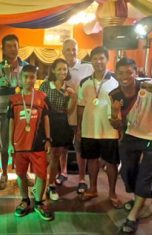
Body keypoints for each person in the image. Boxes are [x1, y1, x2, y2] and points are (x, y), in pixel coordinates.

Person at [109, 57, 152, 233]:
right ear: (116, 75)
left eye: (129, 72)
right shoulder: (115, 94)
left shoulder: (149, 85)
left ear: (136, 72)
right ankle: (138, 198)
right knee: (127, 172)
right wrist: (115, 115)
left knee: (147, 175)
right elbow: (116, 125)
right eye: (121, 73)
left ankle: (133, 215)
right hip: (132, 135)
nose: (125, 76)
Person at [77, 47, 122, 208]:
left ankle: (112, 193)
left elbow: (123, 107)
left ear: (107, 59)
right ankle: (93, 189)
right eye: (95, 59)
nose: (98, 62)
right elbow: (81, 107)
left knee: (111, 163)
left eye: (101, 58)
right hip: (89, 129)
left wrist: (121, 129)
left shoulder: (117, 80)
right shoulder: (84, 82)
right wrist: (79, 130)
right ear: (91, 61)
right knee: (91, 161)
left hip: (110, 130)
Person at [8, 64, 53, 221]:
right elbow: (11, 122)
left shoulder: (42, 97)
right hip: (19, 144)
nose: (28, 80)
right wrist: (9, 143)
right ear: (20, 78)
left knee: (41, 174)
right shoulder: (14, 99)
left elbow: (47, 119)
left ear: (36, 78)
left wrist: (48, 139)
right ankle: (25, 200)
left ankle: (39, 202)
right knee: (21, 173)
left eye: (32, 77)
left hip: (38, 144)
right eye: (25, 77)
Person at [0, 34, 28, 190]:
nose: (13, 49)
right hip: (3, 111)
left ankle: (22, 172)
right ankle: (4, 172)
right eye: (9, 46)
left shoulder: (26, 67)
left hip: (22, 111)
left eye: (15, 45)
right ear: (3, 49)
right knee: (4, 144)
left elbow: (31, 88)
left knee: (23, 143)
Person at [39, 58, 77, 201]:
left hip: (61, 123)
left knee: (56, 155)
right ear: (53, 70)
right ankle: (40, 183)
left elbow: (68, 110)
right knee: (45, 156)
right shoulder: (45, 86)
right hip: (47, 122)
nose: (62, 72)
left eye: (65, 69)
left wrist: (73, 97)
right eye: (59, 69)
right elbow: (40, 106)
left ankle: (51, 185)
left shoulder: (68, 88)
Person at [62, 39, 93, 192]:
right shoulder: (60, 67)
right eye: (67, 49)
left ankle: (82, 178)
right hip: (64, 114)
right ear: (62, 52)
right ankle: (63, 172)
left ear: (77, 50)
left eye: (73, 49)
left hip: (82, 115)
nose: (71, 52)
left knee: (80, 146)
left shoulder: (88, 67)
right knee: (62, 146)